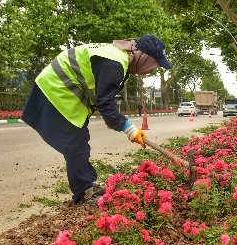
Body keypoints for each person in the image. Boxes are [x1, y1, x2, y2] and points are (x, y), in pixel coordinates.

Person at [22, 35, 171, 205]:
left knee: (79, 144)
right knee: (76, 146)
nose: (151, 71)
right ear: (144, 58)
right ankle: (83, 194)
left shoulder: (118, 56)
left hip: (58, 90)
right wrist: (129, 129)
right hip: (56, 90)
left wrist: (110, 116)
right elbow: (106, 102)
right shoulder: (115, 63)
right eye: (154, 65)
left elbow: (101, 93)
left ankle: (86, 186)